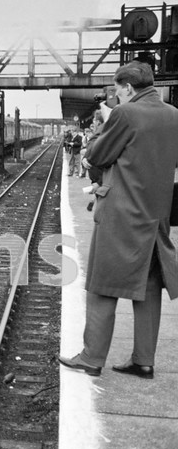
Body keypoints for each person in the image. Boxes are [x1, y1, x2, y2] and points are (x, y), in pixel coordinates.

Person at [58, 61, 178, 379]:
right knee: (149, 287)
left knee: (102, 287)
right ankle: (144, 360)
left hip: (121, 213)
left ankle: (92, 358)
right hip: (156, 215)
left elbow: (98, 155)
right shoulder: (173, 114)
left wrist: (96, 141)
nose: (116, 96)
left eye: (117, 90)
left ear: (126, 88)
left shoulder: (125, 114)